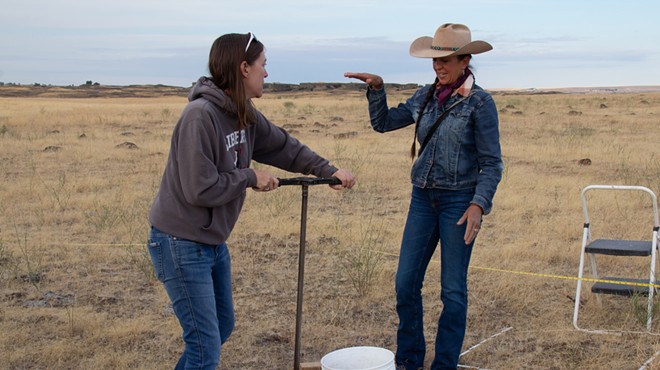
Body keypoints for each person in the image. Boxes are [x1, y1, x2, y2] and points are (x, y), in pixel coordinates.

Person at [147, 32, 356, 370]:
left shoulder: (244, 114)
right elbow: (198, 189)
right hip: (179, 241)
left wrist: (328, 171)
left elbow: (284, 146)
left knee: (220, 328)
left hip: (211, 242)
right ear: (244, 68)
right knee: (205, 347)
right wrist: (249, 177)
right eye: (263, 65)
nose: (267, 74)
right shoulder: (199, 117)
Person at [345, 23, 502, 370]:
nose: (439, 67)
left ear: (466, 60)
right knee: (405, 283)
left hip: (459, 204)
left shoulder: (480, 103)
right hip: (422, 200)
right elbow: (384, 123)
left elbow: (492, 163)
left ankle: (444, 365)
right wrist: (377, 89)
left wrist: (478, 204)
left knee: (453, 292)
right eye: (435, 60)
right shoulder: (425, 96)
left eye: (446, 60)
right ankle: (409, 360)